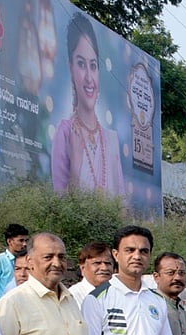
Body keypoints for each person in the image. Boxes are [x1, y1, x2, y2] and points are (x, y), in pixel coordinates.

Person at [51, 13, 124, 197]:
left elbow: (123, 210)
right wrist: (76, 163)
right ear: (71, 68)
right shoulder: (65, 132)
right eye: (81, 64)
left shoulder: (112, 140)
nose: (89, 78)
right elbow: (60, 209)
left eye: (93, 65)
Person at [0, 224, 31, 306]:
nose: (25, 244)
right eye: (21, 240)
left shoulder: (28, 260)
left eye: (26, 240)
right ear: (9, 241)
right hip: (2, 308)